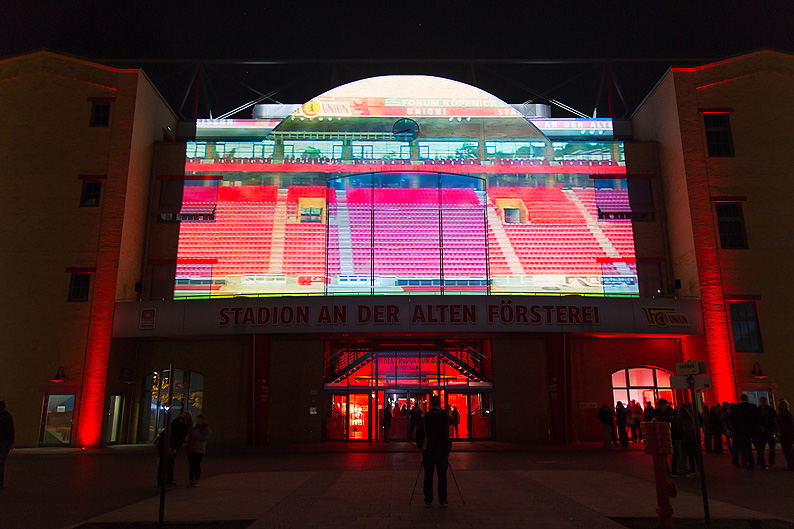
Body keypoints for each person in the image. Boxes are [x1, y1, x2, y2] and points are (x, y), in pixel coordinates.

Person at [415, 395, 451, 506]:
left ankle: (428, 498)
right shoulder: (445, 416)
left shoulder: (426, 417)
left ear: (430, 404)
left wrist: (421, 447)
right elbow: (449, 427)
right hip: (442, 450)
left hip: (429, 449)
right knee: (442, 475)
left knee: (428, 475)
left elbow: (419, 433)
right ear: (439, 404)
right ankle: (443, 499)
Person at [156, 410, 193, 486]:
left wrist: (174, 448)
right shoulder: (179, 425)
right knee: (166, 462)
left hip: (168, 444)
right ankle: (164, 480)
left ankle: (166, 480)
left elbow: (178, 438)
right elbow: (175, 437)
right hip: (167, 444)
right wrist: (172, 448)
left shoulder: (178, 423)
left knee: (167, 462)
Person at [733, 395, 760, 469]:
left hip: (740, 430)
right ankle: (753, 462)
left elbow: (733, 419)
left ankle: (741, 462)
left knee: (740, 447)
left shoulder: (736, 407)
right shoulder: (752, 407)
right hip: (751, 429)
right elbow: (756, 418)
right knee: (751, 447)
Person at [187, 414, 212, 487]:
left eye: (200, 420)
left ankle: (196, 480)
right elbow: (190, 436)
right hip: (191, 448)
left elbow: (204, 438)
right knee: (191, 465)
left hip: (199, 449)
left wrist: (196, 434)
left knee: (197, 465)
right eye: (198, 420)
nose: (198, 421)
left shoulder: (207, 430)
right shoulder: (194, 428)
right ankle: (190, 480)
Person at [755, 397, 777, 469]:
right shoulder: (764, 410)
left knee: (770, 447)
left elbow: (775, 420)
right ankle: (764, 461)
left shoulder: (761, 410)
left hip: (768, 430)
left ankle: (769, 461)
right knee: (763, 447)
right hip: (764, 431)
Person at [0, 401, 14, 489]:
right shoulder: (7, 416)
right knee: (2, 462)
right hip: (4, 442)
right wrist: (11, 442)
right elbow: (11, 430)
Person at [777, 398, 794, 470]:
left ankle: (791, 465)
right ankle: (790, 465)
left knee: (788, 450)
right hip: (787, 434)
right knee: (789, 450)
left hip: (786, 435)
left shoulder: (784, 414)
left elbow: (784, 425)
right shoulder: (787, 414)